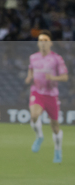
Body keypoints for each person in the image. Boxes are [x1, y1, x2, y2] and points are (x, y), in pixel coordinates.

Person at [25, 30, 68, 163]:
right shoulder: (33, 57)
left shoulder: (57, 58)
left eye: (45, 40)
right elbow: (31, 69)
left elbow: (65, 77)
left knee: (55, 127)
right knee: (34, 115)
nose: (42, 43)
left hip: (51, 95)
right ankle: (39, 137)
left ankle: (57, 150)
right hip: (37, 92)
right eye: (40, 40)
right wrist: (29, 77)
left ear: (50, 43)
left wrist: (53, 77)